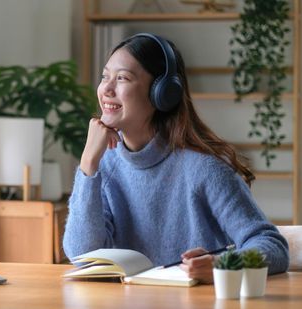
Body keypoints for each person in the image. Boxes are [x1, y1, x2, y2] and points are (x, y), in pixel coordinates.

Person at [62, 33, 289, 284]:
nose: (106, 89)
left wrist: (221, 265)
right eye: (105, 76)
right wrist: (88, 165)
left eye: (122, 78)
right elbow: (82, 256)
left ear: (162, 92)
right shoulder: (102, 165)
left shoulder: (204, 168)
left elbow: (273, 247)